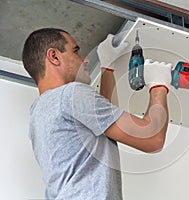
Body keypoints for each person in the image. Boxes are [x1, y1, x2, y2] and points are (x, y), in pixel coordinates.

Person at [22, 28, 172, 199]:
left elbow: (103, 123)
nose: (85, 59)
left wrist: (108, 67)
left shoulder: (39, 111)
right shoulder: (71, 94)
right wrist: (159, 85)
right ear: (54, 56)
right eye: (76, 51)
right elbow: (152, 139)